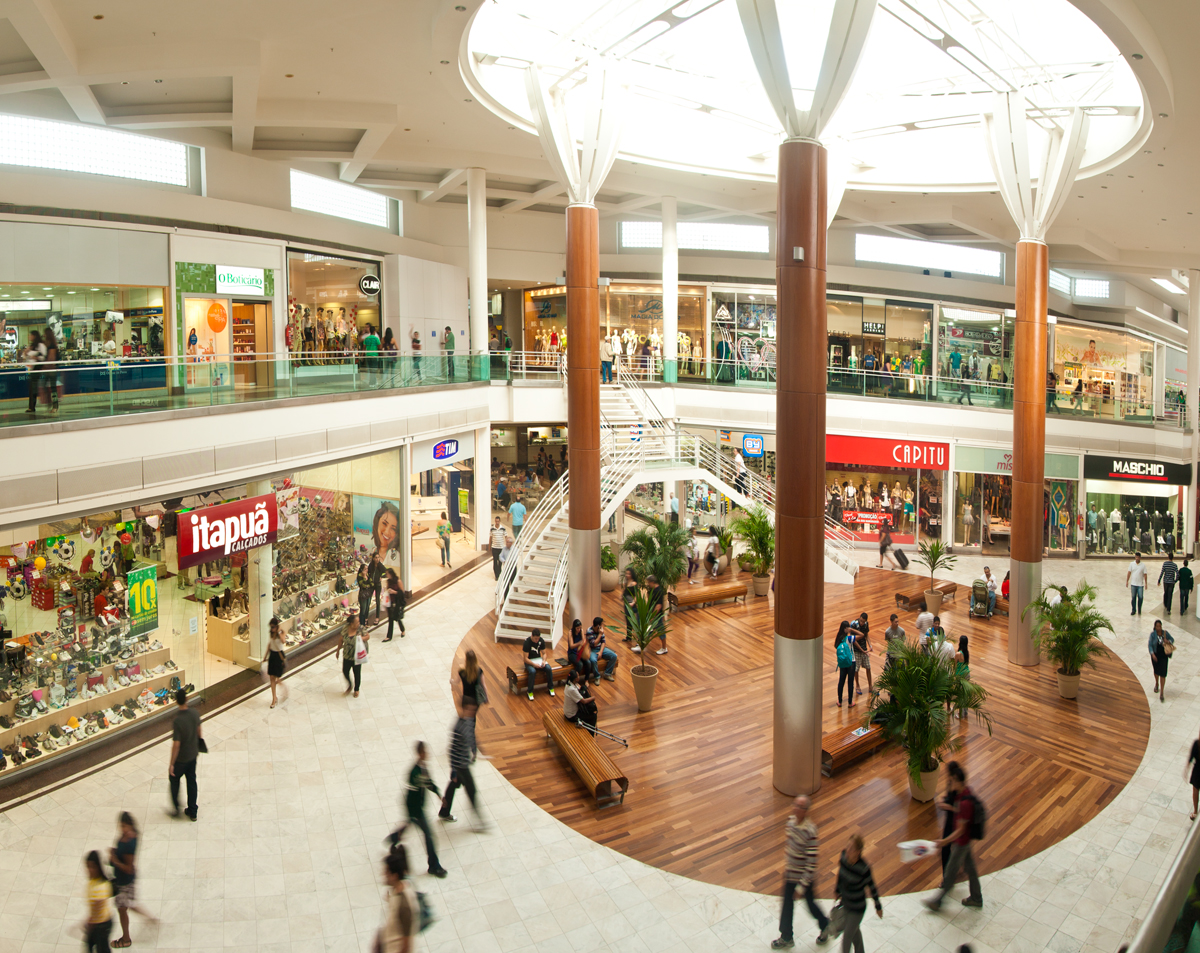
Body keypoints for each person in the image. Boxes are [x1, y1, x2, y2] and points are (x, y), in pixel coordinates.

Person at [771, 795, 829, 949]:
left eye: (799, 806)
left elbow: (812, 863)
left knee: (811, 906)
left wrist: (802, 886)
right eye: (795, 804)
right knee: (787, 906)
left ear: (805, 810)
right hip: (790, 874)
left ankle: (825, 926)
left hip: (804, 878)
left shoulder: (810, 831)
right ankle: (786, 937)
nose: (795, 808)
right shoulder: (790, 822)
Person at [923, 761, 983, 910]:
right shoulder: (965, 792)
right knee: (971, 869)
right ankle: (976, 897)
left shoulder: (964, 802)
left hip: (961, 842)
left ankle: (937, 901)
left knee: (950, 873)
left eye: (952, 780)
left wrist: (944, 841)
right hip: (966, 840)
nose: (950, 782)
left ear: (958, 780)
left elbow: (961, 829)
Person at [390, 741, 447, 878]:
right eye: (424, 752)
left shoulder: (423, 768)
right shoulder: (415, 772)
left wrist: (439, 795)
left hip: (416, 809)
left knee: (409, 824)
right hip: (415, 809)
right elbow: (413, 794)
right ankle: (434, 866)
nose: (427, 754)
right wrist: (414, 814)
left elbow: (429, 783)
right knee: (428, 836)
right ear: (420, 753)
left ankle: (393, 839)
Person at [108, 812, 155, 947]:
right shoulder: (129, 836)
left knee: (123, 909)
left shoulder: (129, 843)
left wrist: (114, 859)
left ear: (130, 825)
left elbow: (128, 868)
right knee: (129, 905)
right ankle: (149, 918)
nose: (122, 829)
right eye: (121, 826)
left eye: (124, 826)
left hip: (124, 881)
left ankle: (126, 939)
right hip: (125, 880)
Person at [439, 700, 486, 831]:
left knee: (453, 786)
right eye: (470, 709)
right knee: (471, 791)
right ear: (464, 709)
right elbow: (452, 750)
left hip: (464, 762)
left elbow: (472, 737)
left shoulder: (469, 721)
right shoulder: (459, 727)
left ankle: (444, 811)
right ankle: (479, 822)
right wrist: (454, 770)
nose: (472, 712)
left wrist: (475, 751)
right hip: (461, 766)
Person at [835, 834, 883, 953]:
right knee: (855, 932)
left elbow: (872, 888)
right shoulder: (843, 857)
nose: (848, 850)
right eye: (848, 846)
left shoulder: (863, 868)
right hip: (846, 904)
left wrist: (878, 906)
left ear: (858, 852)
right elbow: (840, 875)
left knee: (847, 937)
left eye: (851, 848)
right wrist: (837, 890)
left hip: (857, 909)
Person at [376, 845, 420, 953]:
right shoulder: (397, 890)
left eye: (386, 872)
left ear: (394, 876)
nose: (383, 875)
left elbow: (407, 943)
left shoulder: (404, 905)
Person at [168, 689, 202, 821]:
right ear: (187, 699)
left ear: (176, 702)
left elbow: (176, 744)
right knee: (191, 781)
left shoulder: (178, 720)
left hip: (181, 758)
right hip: (193, 754)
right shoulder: (194, 713)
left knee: (174, 779)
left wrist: (172, 764)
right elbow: (199, 731)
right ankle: (193, 811)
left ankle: (176, 809)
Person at [82, 850, 115, 953]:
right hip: (98, 923)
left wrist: (89, 923)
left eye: (92, 867)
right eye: (88, 866)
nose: (89, 870)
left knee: (102, 950)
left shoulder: (101, 887)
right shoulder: (95, 881)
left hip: (101, 925)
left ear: (98, 867)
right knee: (90, 946)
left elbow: (96, 911)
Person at [335, 612, 367, 697]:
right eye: (357, 622)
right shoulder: (345, 629)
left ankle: (356, 689)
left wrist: (360, 638)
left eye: (359, 622)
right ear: (352, 623)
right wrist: (338, 650)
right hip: (347, 654)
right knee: (345, 671)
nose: (358, 624)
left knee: (357, 673)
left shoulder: (361, 628)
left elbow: (368, 636)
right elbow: (341, 640)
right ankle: (350, 684)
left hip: (357, 655)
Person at [522, 627, 554, 700]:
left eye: (538, 638)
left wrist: (544, 660)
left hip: (538, 660)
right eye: (535, 638)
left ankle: (551, 687)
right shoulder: (527, 643)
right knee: (532, 671)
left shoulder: (541, 641)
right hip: (529, 661)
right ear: (532, 636)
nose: (537, 640)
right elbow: (525, 659)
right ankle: (530, 691)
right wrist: (534, 664)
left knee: (549, 668)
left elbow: (544, 653)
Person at [563, 669, 598, 734]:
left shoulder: (568, 684)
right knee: (593, 716)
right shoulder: (572, 689)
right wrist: (593, 698)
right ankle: (590, 734)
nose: (579, 676)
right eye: (578, 676)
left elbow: (579, 688)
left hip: (568, 711)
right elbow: (583, 701)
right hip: (572, 715)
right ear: (576, 679)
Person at [1150, 619, 1175, 701]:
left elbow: (1172, 639)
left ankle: (1162, 692)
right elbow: (1150, 645)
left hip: (1163, 655)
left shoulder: (1165, 633)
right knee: (1156, 671)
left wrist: (1168, 641)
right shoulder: (1153, 635)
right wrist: (1152, 654)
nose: (1158, 628)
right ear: (1155, 627)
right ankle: (1156, 683)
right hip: (1156, 655)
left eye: (1160, 626)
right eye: (1157, 626)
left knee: (1163, 673)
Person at [22, 329, 45, 414]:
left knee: (33, 387)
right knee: (32, 387)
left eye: (30, 335)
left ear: (34, 336)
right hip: (31, 368)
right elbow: (24, 355)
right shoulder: (32, 346)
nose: (29, 337)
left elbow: (43, 357)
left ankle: (32, 406)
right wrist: (27, 350)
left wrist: (35, 358)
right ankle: (31, 406)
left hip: (37, 369)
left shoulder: (40, 345)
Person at [834, 621, 856, 708]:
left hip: (842, 663)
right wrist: (853, 630)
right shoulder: (849, 638)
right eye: (848, 627)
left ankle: (839, 701)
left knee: (841, 681)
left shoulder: (839, 638)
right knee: (850, 682)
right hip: (851, 662)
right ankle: (850, 702)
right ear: (845, 628)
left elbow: (836, 646)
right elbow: (862, 635)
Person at [266, 616, 286, 708]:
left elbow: (283, 641)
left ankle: (284, 689)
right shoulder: (271, 634)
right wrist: (265, 656)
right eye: (271, 627)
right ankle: (274, 698)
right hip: (272, 656)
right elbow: (270, 644)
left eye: (273, 627)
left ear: (277, 626)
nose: (272, 629)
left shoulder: (281, 632)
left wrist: (279, 632)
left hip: (279, 656)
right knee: (271, 678)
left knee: (278, 678)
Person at [851, 614, 873, 695]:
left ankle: (870, 685)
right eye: (861, 621)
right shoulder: (854, 625)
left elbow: (866, 635)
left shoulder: (866, 624)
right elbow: (853, 639)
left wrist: (870, 645)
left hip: (864, 649)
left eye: (863, 622)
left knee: (868, 667)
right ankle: (857, 685)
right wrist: (861, 650)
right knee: (856, 669)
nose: (862, 623)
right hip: (856, 650)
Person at [567, 618, 593, 683]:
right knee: (580, 664)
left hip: (579, 652)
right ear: (574, 627)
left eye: (580, 628)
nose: (579, 629)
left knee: (588, 663)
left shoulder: (581, 631)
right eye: (577, 628)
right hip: (572, 653)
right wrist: (579, 643)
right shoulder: (570, 632)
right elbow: (571, 646)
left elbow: (583, 641)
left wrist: (584, 643)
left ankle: (586, 680)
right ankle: (574, 680)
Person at [622, 566, 638, 641]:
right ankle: (628, 636)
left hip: (631, 604)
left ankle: (632, 636)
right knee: (627, 620)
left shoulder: (634, 583)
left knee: (631, 620)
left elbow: (637, 595)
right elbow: (625, 591)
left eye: (628, 574)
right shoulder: (626, 582)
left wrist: (633, 603)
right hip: (626, 603)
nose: (627, 575)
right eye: (626, 573)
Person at [1187, 728, 1200, 821]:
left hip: (1197, 770)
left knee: (1195, 791)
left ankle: (1195, 811)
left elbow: (1190, 758)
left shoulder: (1197, 743)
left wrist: (1186, 769)